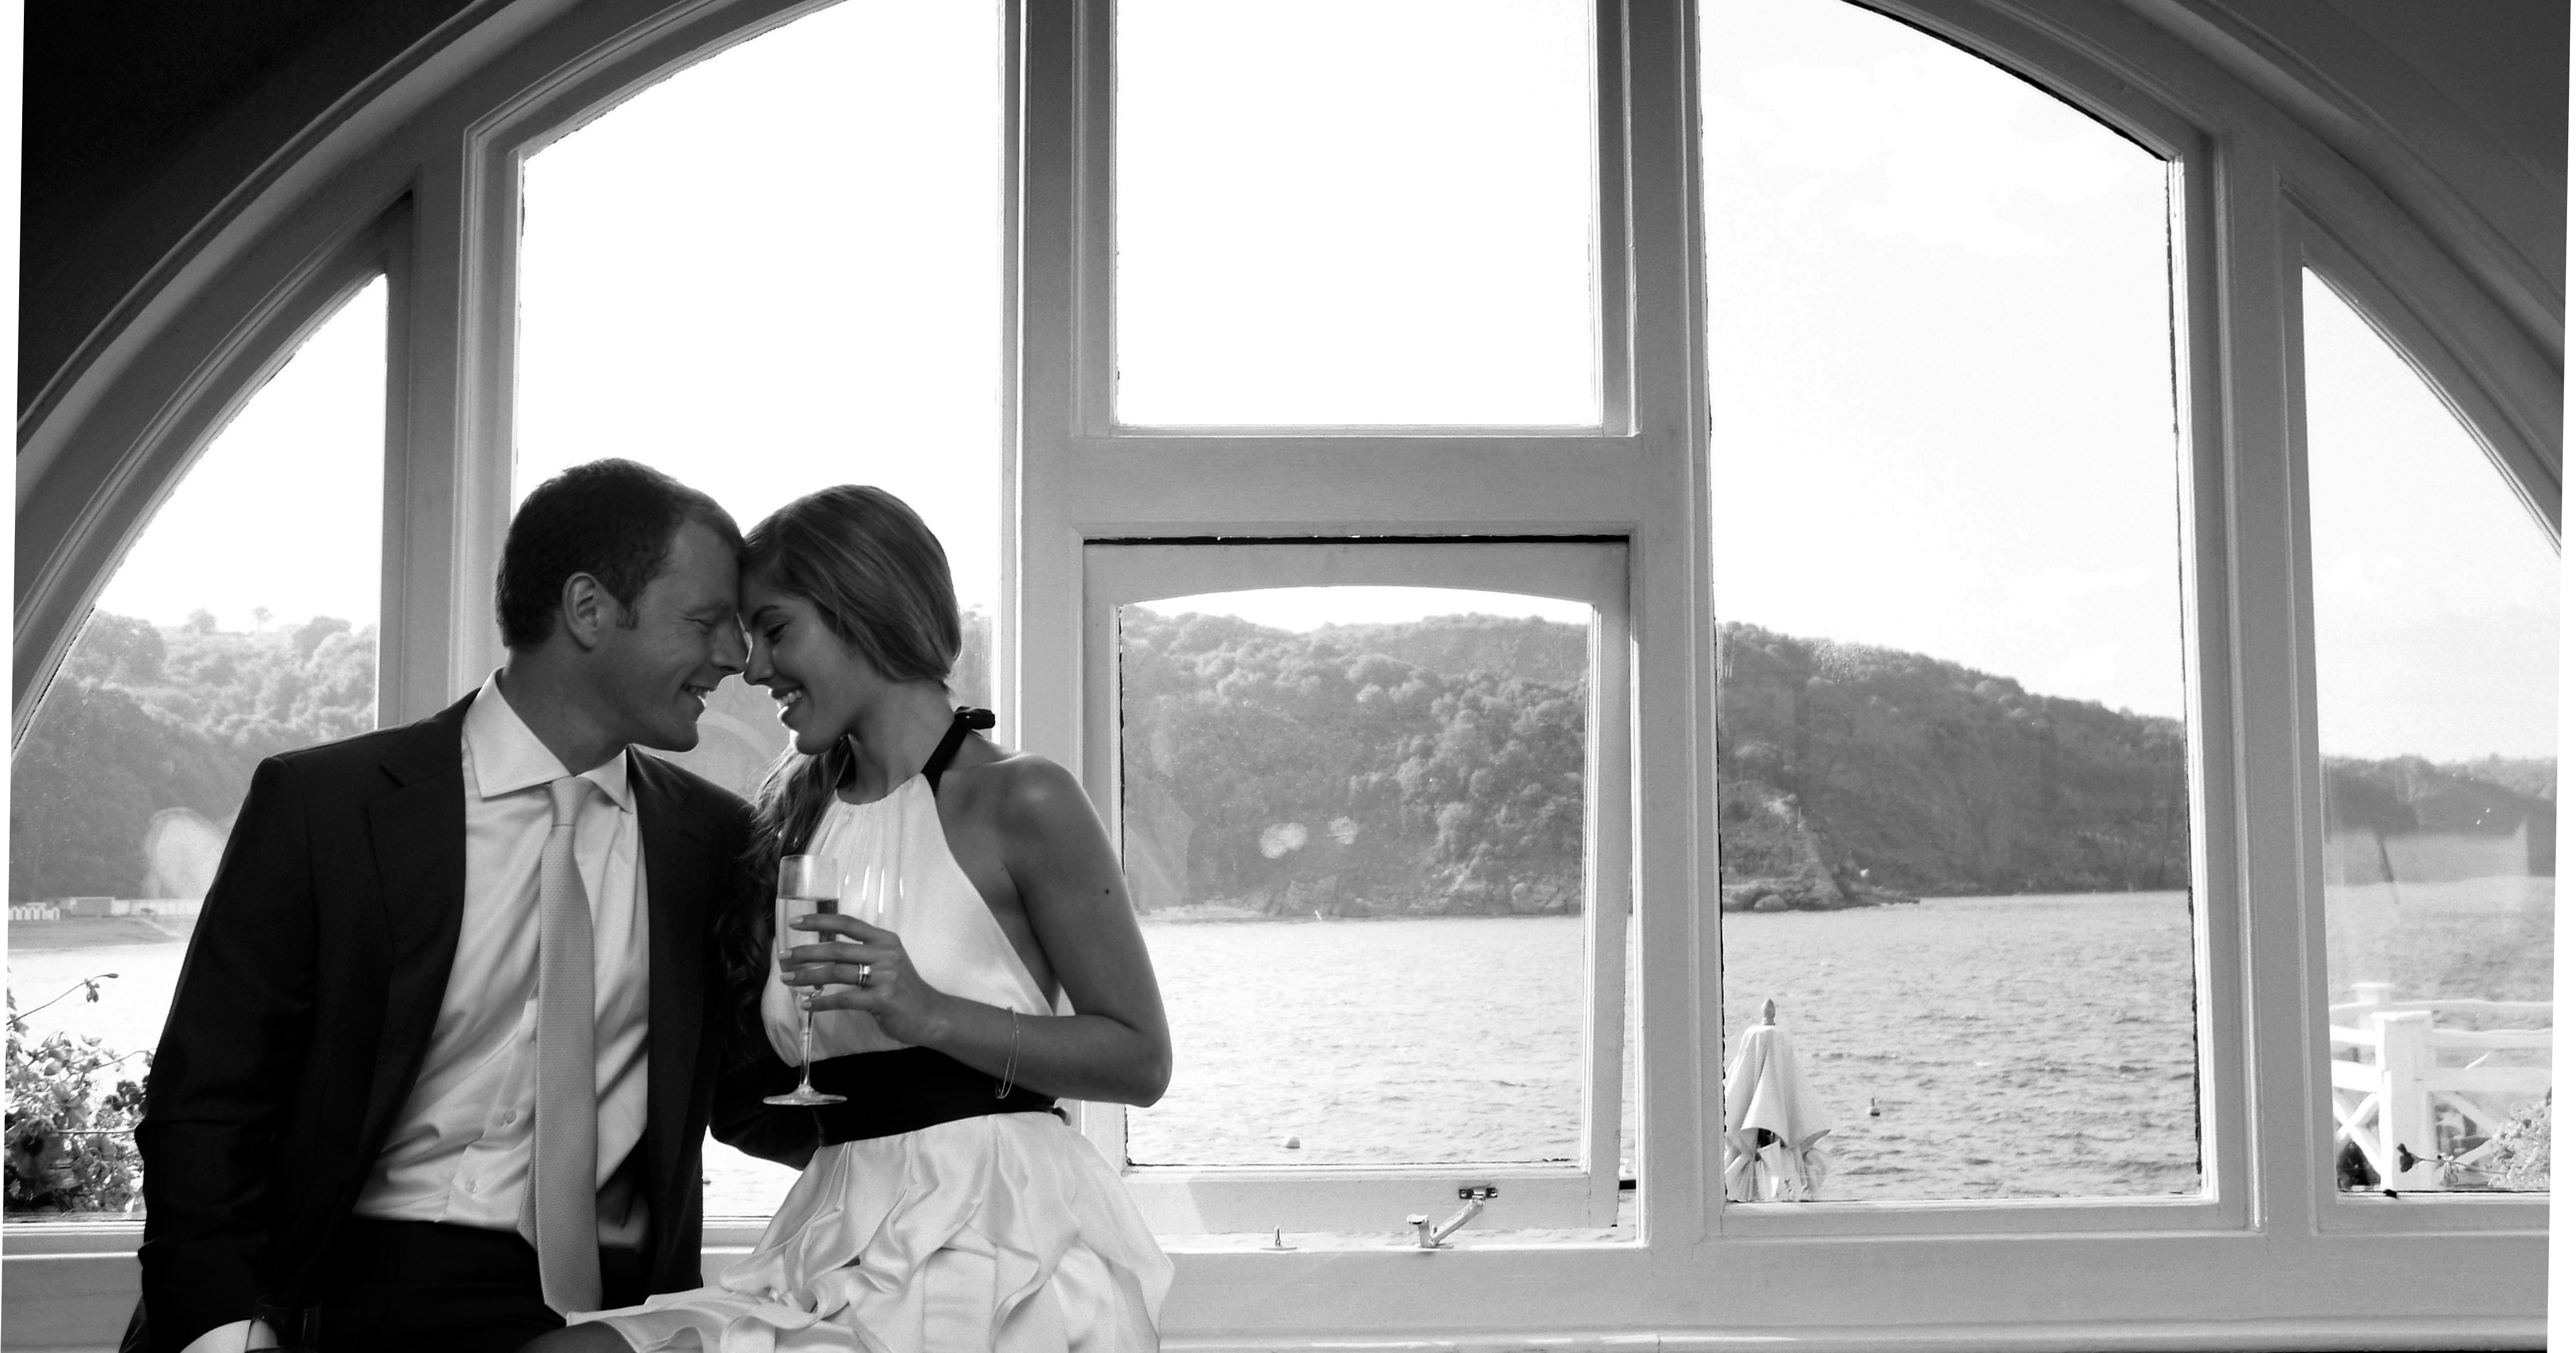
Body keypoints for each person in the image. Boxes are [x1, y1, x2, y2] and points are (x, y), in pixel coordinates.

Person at [129, 460, 771, 1353]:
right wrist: (230, 1337)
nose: (736, 657)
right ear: (588, 609)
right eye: (705, 622)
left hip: (608, 1319)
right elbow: (207, 1106)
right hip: (338, 1302)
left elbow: (761, 1096)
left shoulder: (718, 842)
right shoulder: (326, 809)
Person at [532, 485, 1174, 1352]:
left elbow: (1140, 1060)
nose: (752, 667)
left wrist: (930, 1014)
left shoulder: (1023, 797)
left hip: (992, 1237)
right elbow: (753, 1098)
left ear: (865, 609)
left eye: (775, 629)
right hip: (831, 1229)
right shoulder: (787, 824)